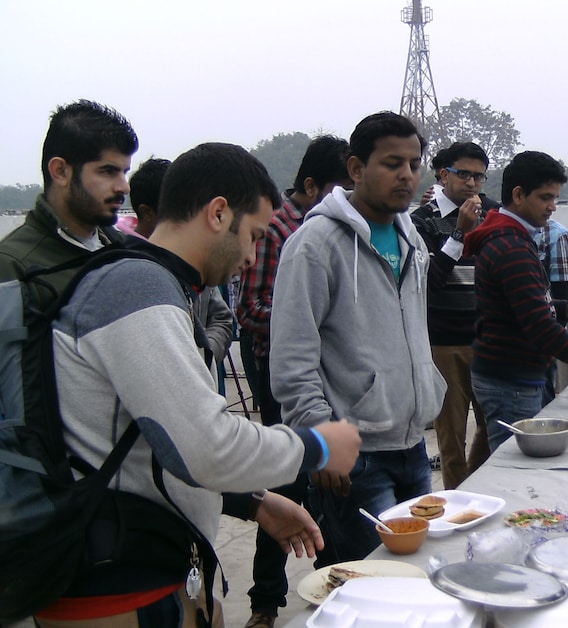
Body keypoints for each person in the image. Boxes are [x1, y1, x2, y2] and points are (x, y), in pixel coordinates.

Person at [40, 142, 362, 627]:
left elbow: (157, 443)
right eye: (253, 236)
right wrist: (317, 445)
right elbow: (208, 446)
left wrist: (250, 501)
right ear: (217, 213)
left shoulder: (162, 284)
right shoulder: (137, 289)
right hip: (116, 583)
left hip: (153, 562)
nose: (252, 256)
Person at [270, 112, 446, 563]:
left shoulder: (411, 240)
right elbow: (292, 356)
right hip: (354, 455)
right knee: (367, 580)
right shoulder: (315, 245)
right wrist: (322, 436)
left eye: (414, 164)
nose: (406, 175)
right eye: (392, 163)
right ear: (356, 168)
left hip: (412, 445)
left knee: (413, 572)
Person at [235, 134, 352, 628]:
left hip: (323, 378)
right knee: (286, 485)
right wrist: (307, 322)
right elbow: (249, 309)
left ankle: (337, 588)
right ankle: (265, 603)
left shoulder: (338, 231)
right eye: (340, 188)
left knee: (326, 488)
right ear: (310, 186)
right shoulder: (277, 230)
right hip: (280, 377)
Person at [463, 151, 568, 452]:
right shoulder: (511, 246)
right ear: (519, 195)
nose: (553, 206)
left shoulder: (514, 237)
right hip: (510, 379)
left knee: (505, 457)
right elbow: (541, 328)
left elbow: (519, 306)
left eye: (555, 198)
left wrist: (565, 308)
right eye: (545, 198)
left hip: (511, 374)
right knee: (515, 465)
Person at [411, 142, 498, 489]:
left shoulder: (493, 216)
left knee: (493, 426)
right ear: (444, 175)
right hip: (444, 344)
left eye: (479, 176)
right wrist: (460, 232)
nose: (472, 183)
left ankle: (475, 492)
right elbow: (429, 282)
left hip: (487, 341)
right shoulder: (422, 222)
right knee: (451, 439)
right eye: (464, 174)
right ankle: (458, 503)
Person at [0, 100, 135, 306]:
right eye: (108, 171)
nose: (124, 187)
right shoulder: (12, 266)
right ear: (60, 171)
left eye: (124, 173)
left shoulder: (125, 249)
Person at [125, 157, 235, 373]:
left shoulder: (193, 257)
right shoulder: (125, 267)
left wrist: (202, 355)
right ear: (147, 212)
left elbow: (221, 318)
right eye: (174, 211)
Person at [534, 218, 568, 404]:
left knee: (539, 410)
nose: (551, 206)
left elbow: (563, 295)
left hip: (539, 347)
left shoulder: (556, 235)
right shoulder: (503, 232)